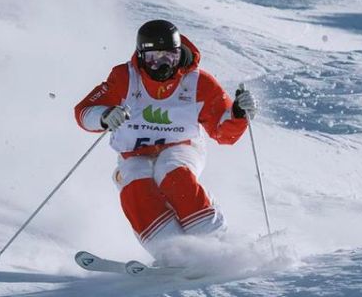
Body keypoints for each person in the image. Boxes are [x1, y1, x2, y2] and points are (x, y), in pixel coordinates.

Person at [74, 20, 257, 260]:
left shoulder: (198, 82)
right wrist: (105, 116)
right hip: (134, 153)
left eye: (169, 56)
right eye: (154, 57)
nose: (162, 64)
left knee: (170, 172)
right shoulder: (124, 78)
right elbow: (84, 111)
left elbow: (223, 132)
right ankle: (172, 252)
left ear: (179, 53)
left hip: (181, 146)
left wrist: (239, 114)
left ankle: (216, 241)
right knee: (134, 186)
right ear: (141, 56)